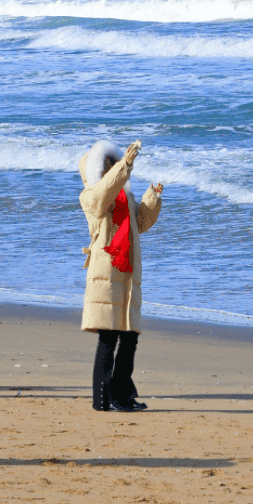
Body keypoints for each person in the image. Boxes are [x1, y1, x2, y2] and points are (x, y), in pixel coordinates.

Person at [78, 139, 163, 412]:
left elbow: (141, 223)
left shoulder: (125, 198)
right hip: (107, 271)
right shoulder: (91, 196)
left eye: (113, 164)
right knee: (109, 337)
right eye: (109, 166)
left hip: (126, 273)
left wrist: (152, 197)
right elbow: (104, 193)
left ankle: (121, 394)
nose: (113, 169)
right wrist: (125, 165)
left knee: (129, 337)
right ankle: (102, 399)